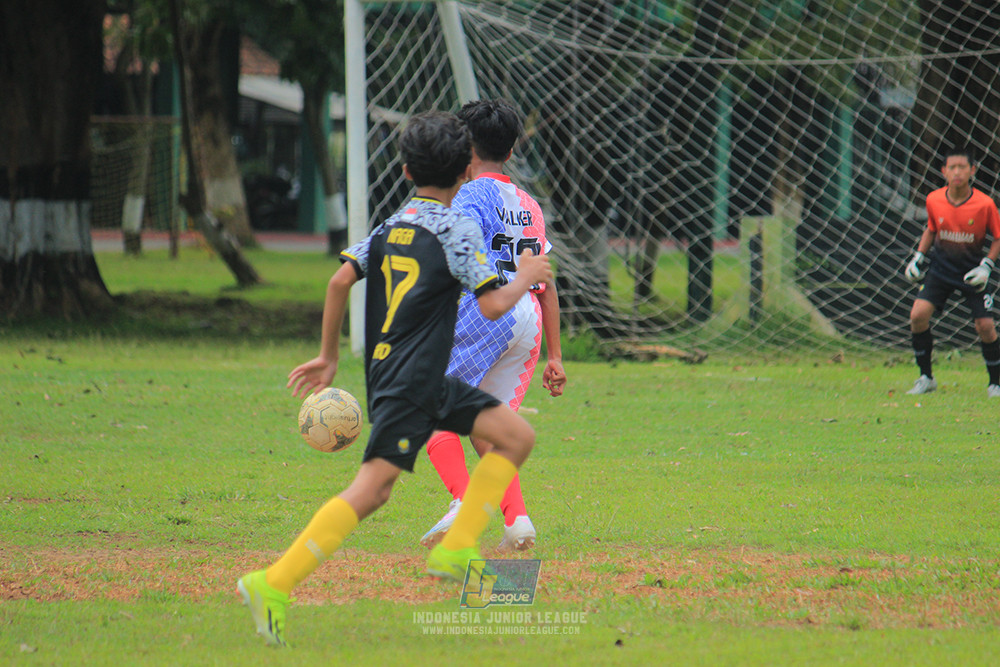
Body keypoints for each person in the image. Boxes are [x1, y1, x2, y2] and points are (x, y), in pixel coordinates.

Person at [237, 111, 554, 647]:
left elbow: (340, 280)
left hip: (407, 376)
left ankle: (457, 547)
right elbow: (496, 304)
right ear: (464, 173)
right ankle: (273, 581)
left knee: (516, 435)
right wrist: (525, 275)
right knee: (372, 490)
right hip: (414, 382)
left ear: (406, 171)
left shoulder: (394, 224)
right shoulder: (455, 228)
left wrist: (327, 356)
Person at [419, 99, 566, 553]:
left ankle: (467, 502)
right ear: (512, 145)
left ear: (463, 147)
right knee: (490, 430)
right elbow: (546, 281)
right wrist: (555, 356)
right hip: (528, 319)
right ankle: (518, 521)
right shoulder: (529, 204)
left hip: (487, 312)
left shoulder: (465, 196)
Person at [903, 145, 1000, 397]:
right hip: (940, 270)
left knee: (986, 326)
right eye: (952, 167)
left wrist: (986, 267)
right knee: (917, 316)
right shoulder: (934, 199)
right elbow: (932, 228)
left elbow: (998, 238)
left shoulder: (984, 204)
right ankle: (926, 378)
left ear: (972, 171)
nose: (957, 172)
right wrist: (918, 258)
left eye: (962, 167)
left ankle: (995, 384)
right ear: (944, 171)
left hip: (972, 273)